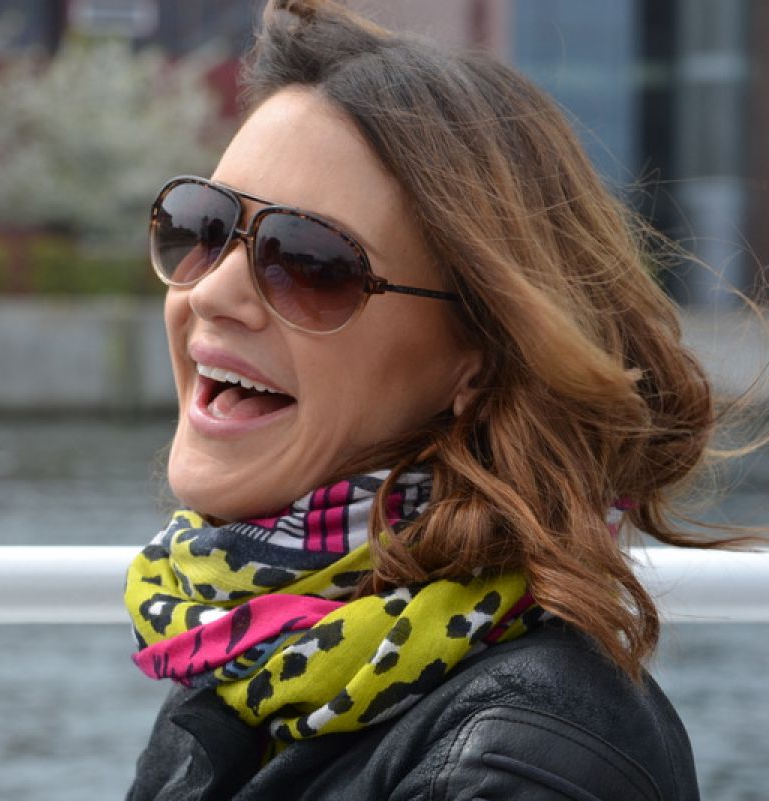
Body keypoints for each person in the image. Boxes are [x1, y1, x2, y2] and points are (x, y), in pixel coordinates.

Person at [123, 1, 761, 798]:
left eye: (311, 264)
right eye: (204, 226)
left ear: (478, 360)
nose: (213, 291)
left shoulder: (524, 762)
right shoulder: (259, 663)